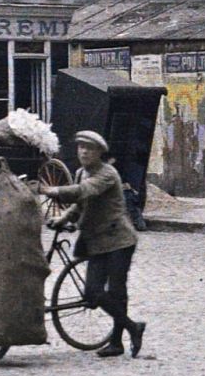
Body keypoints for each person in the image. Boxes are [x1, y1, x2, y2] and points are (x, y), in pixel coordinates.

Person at [37, 129, 145, 358]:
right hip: (96, 241)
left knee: (116, 291)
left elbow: (85, 191)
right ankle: (133, 327)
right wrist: (62, 218)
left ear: (99, 153)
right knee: (93, 293)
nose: (84, 152)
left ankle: (117, 342)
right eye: (80, 147)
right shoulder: (79, 173)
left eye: (89, 148)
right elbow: (80, 203)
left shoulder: (107, 174)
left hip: (118, 241)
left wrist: (54, 190)